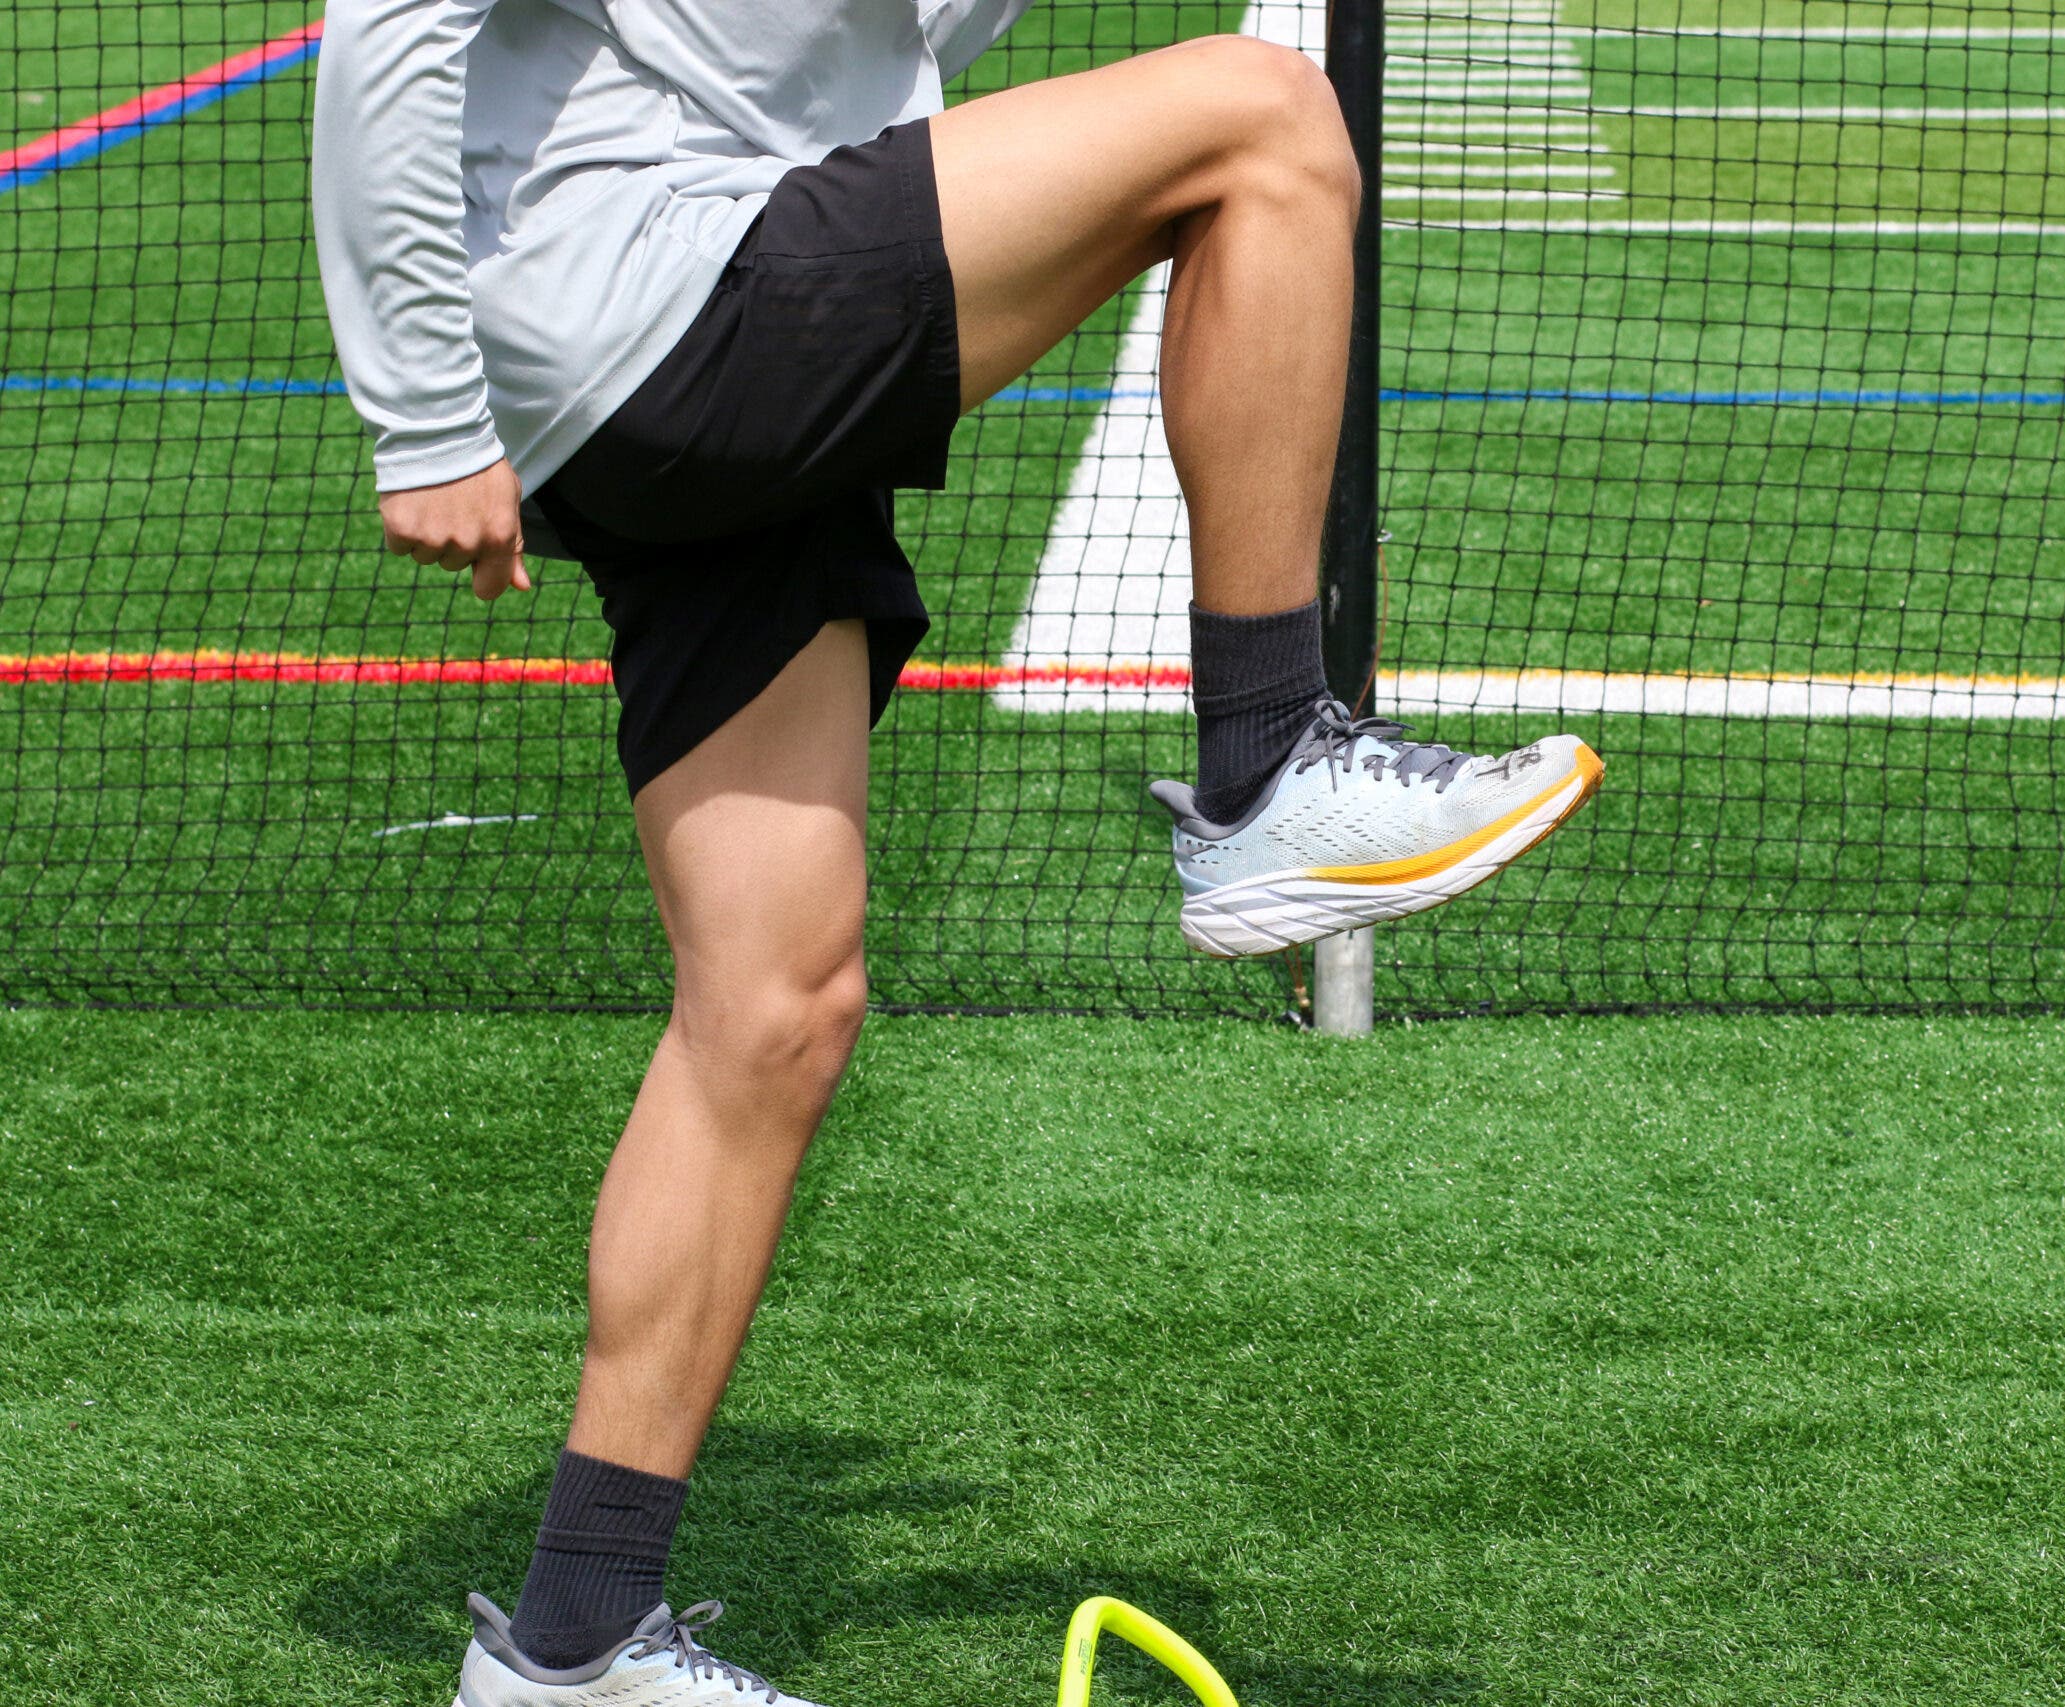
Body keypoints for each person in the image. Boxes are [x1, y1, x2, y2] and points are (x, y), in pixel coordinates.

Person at [312, 0, 1603, 1698]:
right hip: (653, 291)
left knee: (772, 1010)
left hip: (702, 295)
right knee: (1265, 119)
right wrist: (424, 417)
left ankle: (572, 1644)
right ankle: (1267, 761)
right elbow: (387, 22)